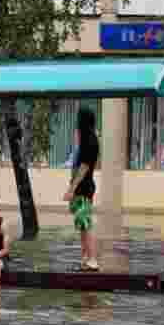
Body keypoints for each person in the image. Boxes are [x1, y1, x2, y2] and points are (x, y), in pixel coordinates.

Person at [63, 107, 100, 271]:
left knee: (85, 224)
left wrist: (72, 188)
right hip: (82, 186)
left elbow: (84, 166)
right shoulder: (86, 139)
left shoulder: (90, 140)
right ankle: (85, 257)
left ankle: (92, 259)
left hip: (83, 187)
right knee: (81, 224)